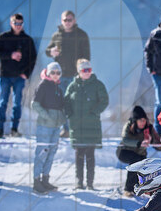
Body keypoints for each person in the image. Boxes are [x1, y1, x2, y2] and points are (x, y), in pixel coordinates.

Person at [64, 59, 109, 190]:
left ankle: (90, 183)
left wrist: (95, 112)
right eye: (84, 70)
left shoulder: (97, 84)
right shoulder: (72, 86)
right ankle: (79, 182)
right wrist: (70, 115)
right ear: (79, 72)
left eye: (89, 70)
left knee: (90, 156)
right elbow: (66, 102)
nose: (87, 72)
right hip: (77, 127)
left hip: (92, 126)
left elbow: (104, 101)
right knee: (79, 156)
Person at [46, 10, 91, 138]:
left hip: (76, 75)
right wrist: (51, 52)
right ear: (61, 21)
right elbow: (47, 51)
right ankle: (65, 130)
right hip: (59, 75)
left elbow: (87, 56)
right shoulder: (57, 36)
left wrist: (83, 72)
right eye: (65, 20)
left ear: (74, 21)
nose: (67, 22)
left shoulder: (82, 35)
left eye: (69, 20)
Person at [0, 13, 37, 138]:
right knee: (3, 102)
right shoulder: (3, 37)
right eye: (15, 23)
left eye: (20, 24)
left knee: (17, 103)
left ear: (23, 24)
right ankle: (0, 129)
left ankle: (14, 129)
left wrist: (27, 74)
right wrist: (10, 55)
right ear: (11, 23)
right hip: (5, 75)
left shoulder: (28, 40)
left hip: (19, 77)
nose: (18, 26)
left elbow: (33, 58)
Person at [31, 62, 65, 194]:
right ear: (48, 73)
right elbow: (35, 104)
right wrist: (47, 116)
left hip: (56, 127)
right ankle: (36, 181)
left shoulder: (58, 88)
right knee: (42, 153)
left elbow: (61, 107)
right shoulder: (43, 85)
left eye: (58, 73)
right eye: (53, 72)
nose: (55, 75)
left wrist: (61, 118)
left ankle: (45, 179)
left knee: (51, 153)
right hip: (44, 126)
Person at [117, 106, 154, 196]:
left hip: (140, 153)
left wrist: (151, 140)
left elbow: (158, 144)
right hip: (124, 151)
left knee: (144, 165)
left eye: (144, 120)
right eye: (140, 120)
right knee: (135, 161)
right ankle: (128, 189)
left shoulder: (148, 127)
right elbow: (125, 140)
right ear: (135, 120)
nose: (143, 122)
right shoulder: (129, 125)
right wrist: (139, 143)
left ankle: (141, 187)